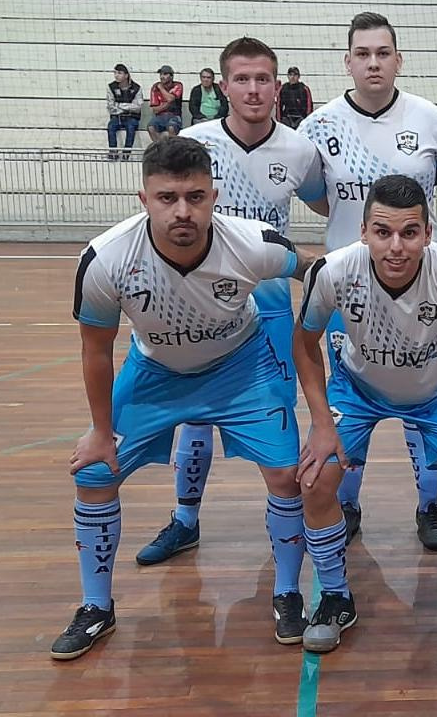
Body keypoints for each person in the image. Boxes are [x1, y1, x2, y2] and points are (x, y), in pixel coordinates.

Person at [50, 137, 316, 660]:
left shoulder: (252, 243)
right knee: (94, 475)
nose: (182, 211)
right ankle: (96, 607)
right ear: (143, 198)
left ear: (214, 196)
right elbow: (97, 351)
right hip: (155, 371)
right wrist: (101, 432)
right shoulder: (105, 259)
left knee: (287, 474)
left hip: (242, 368)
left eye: (195, 197)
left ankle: (287, 593)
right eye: (167, 197)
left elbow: (317, 271)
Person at [135, 38, 327, 599]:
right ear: (222, 86)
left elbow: (328, 201)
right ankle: (186, 519)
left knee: (276, 425)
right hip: (199, 300)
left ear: (277, 86)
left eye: (262, 79)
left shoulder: (299, 150)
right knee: (194, 416)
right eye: (241, 79)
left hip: (267, 306)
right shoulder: (193, 143)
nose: (253, 89)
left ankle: (288, 539)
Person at [298, 11, 437, 551]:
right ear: (348, 61)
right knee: (356, 396)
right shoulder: (321, 126)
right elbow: (317, 196)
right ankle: (348, 503)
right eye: (363, 54)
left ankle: (428, 507)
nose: (374, 63)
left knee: (418, 390)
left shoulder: (428, 118)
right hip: (348, 290)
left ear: (398, 60)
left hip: (421, 283)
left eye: (384, 53)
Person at [294, 175, 437, 654]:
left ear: (428, 234)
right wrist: (323, 424)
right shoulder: (332, 270)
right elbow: (304, 344)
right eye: (383, 232)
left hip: (435, 394)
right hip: (356, 389)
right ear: (363, 231)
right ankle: (334, 597)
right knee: (315, 479)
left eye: (409, 232)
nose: (396, 246)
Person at [106, 63, 143, 160]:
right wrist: (128, 107)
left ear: (126, 75)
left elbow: (138, 107)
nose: (116, 75)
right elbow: (110, 107)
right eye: (115, 73)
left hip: (131, 117)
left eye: (119, 73)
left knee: (131, 128)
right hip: (116, 117)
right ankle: (113, 152)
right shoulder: (111, 87)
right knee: (111, 127)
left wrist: (120, 105)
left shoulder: (136, 88)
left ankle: (126, 154)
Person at [148, 65, 184, 140]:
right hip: (159, 116)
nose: (161, 77)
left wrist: (161, 88)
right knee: (151, 127)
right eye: (161, 74)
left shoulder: (178, 85)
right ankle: (158, 148)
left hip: (174, 115)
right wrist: (167, 104)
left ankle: (172, 149)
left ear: (171, 76)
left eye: (165, 74)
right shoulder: (155, 87)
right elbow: (155, 109)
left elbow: (170, 98)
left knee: (171, 127)